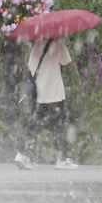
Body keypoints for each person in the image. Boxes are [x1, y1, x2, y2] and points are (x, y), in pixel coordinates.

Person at [17, 35, 77, 170]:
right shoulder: (59, 45)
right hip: (55, 93)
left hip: (40, 94)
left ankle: (22, 155)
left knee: (35, 126)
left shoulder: (36, 46)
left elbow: (31, 67)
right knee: (59, 126)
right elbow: (68, 63)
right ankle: (61, 159)